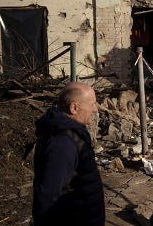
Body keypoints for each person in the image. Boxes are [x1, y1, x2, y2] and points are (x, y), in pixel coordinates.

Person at [32, 81, 104, 226]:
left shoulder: (71, 133)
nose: (95, 109)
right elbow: (47, 196)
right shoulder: (62, 143)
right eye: (92, 104)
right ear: (74, 108)